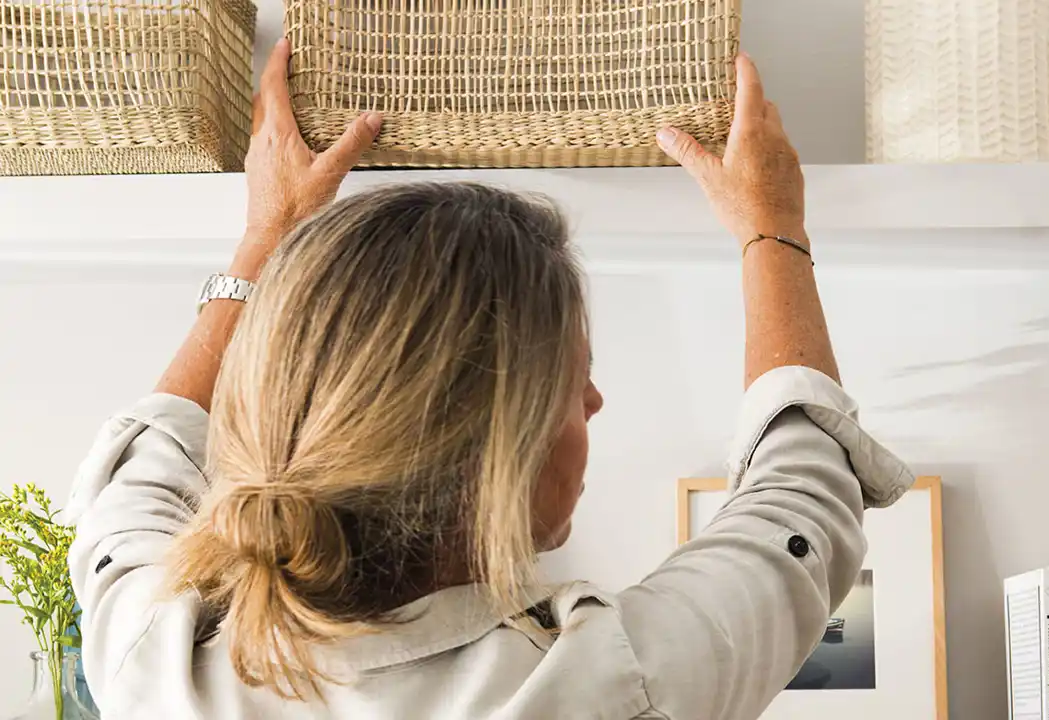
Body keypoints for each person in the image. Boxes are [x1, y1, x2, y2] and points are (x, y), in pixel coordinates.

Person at [66, 39, 913, 719]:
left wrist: (269, 235)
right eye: (573, 378)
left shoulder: (156, 660)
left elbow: (151, 454)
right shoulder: (617, 685)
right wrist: (773, 230)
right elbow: (802, 502)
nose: (593, 401)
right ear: (495, 443)